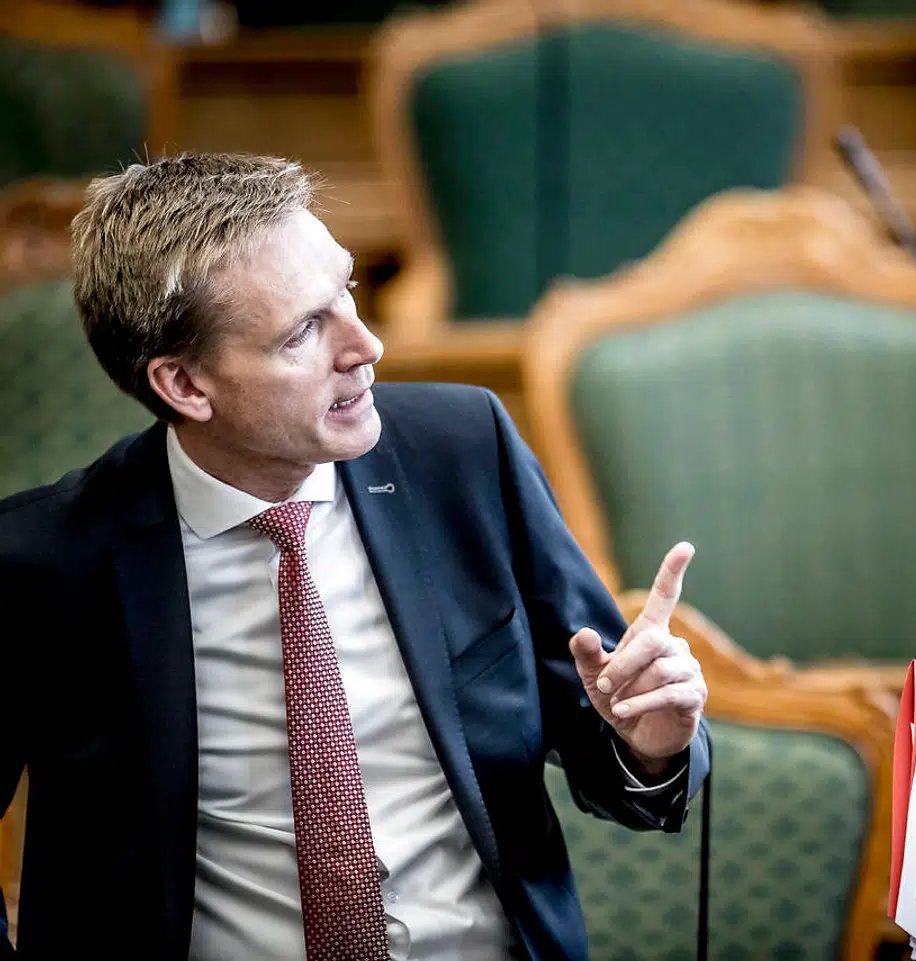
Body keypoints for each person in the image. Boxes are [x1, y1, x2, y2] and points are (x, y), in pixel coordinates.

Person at [0, 153, 711, 961]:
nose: (365, 343)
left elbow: (608, 729)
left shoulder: (464, 454)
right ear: (187, 385)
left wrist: (647, 743)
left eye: (345, 289)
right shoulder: (41, 563)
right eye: (305, 329)